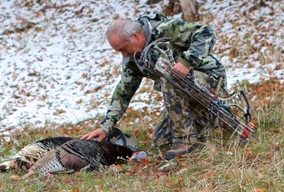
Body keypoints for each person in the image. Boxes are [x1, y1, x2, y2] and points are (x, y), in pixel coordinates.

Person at [81, 13, 227, 160]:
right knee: (161, 141)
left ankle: (186, 139)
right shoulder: (134, 58)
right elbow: (123, 92)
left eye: (123, 49)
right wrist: (105, 127)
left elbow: (206, 33)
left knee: (170, 76)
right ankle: (209, 117)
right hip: (183, 90)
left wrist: (187, 62)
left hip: (210, 81)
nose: (124, 54)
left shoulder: (165, 29)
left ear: (136, 36)